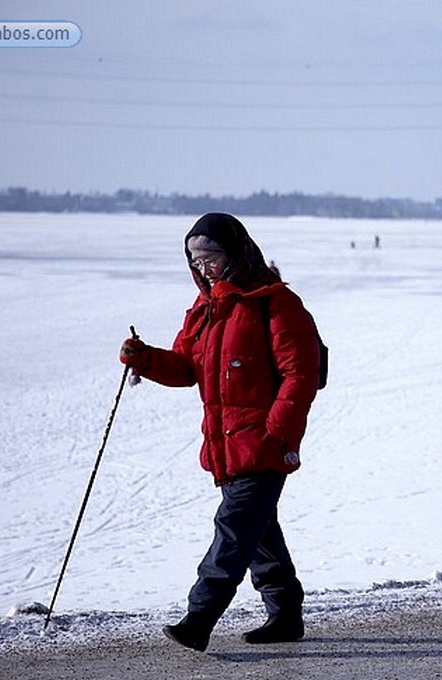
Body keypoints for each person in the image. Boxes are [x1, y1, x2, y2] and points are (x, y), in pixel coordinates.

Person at [119, 213, 321, 652]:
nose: (205, 267)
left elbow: (300, 374)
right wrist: (146, 359)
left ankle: (199, 618)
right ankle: (286, 614)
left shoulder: (276, 302)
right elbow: (186, 367)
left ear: (236, 253)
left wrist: (276, 433)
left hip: (264, 444)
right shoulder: (206, 309)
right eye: (196, 260)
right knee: (259, 532)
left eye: (212, 257)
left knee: (233, 531)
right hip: (227, 446)